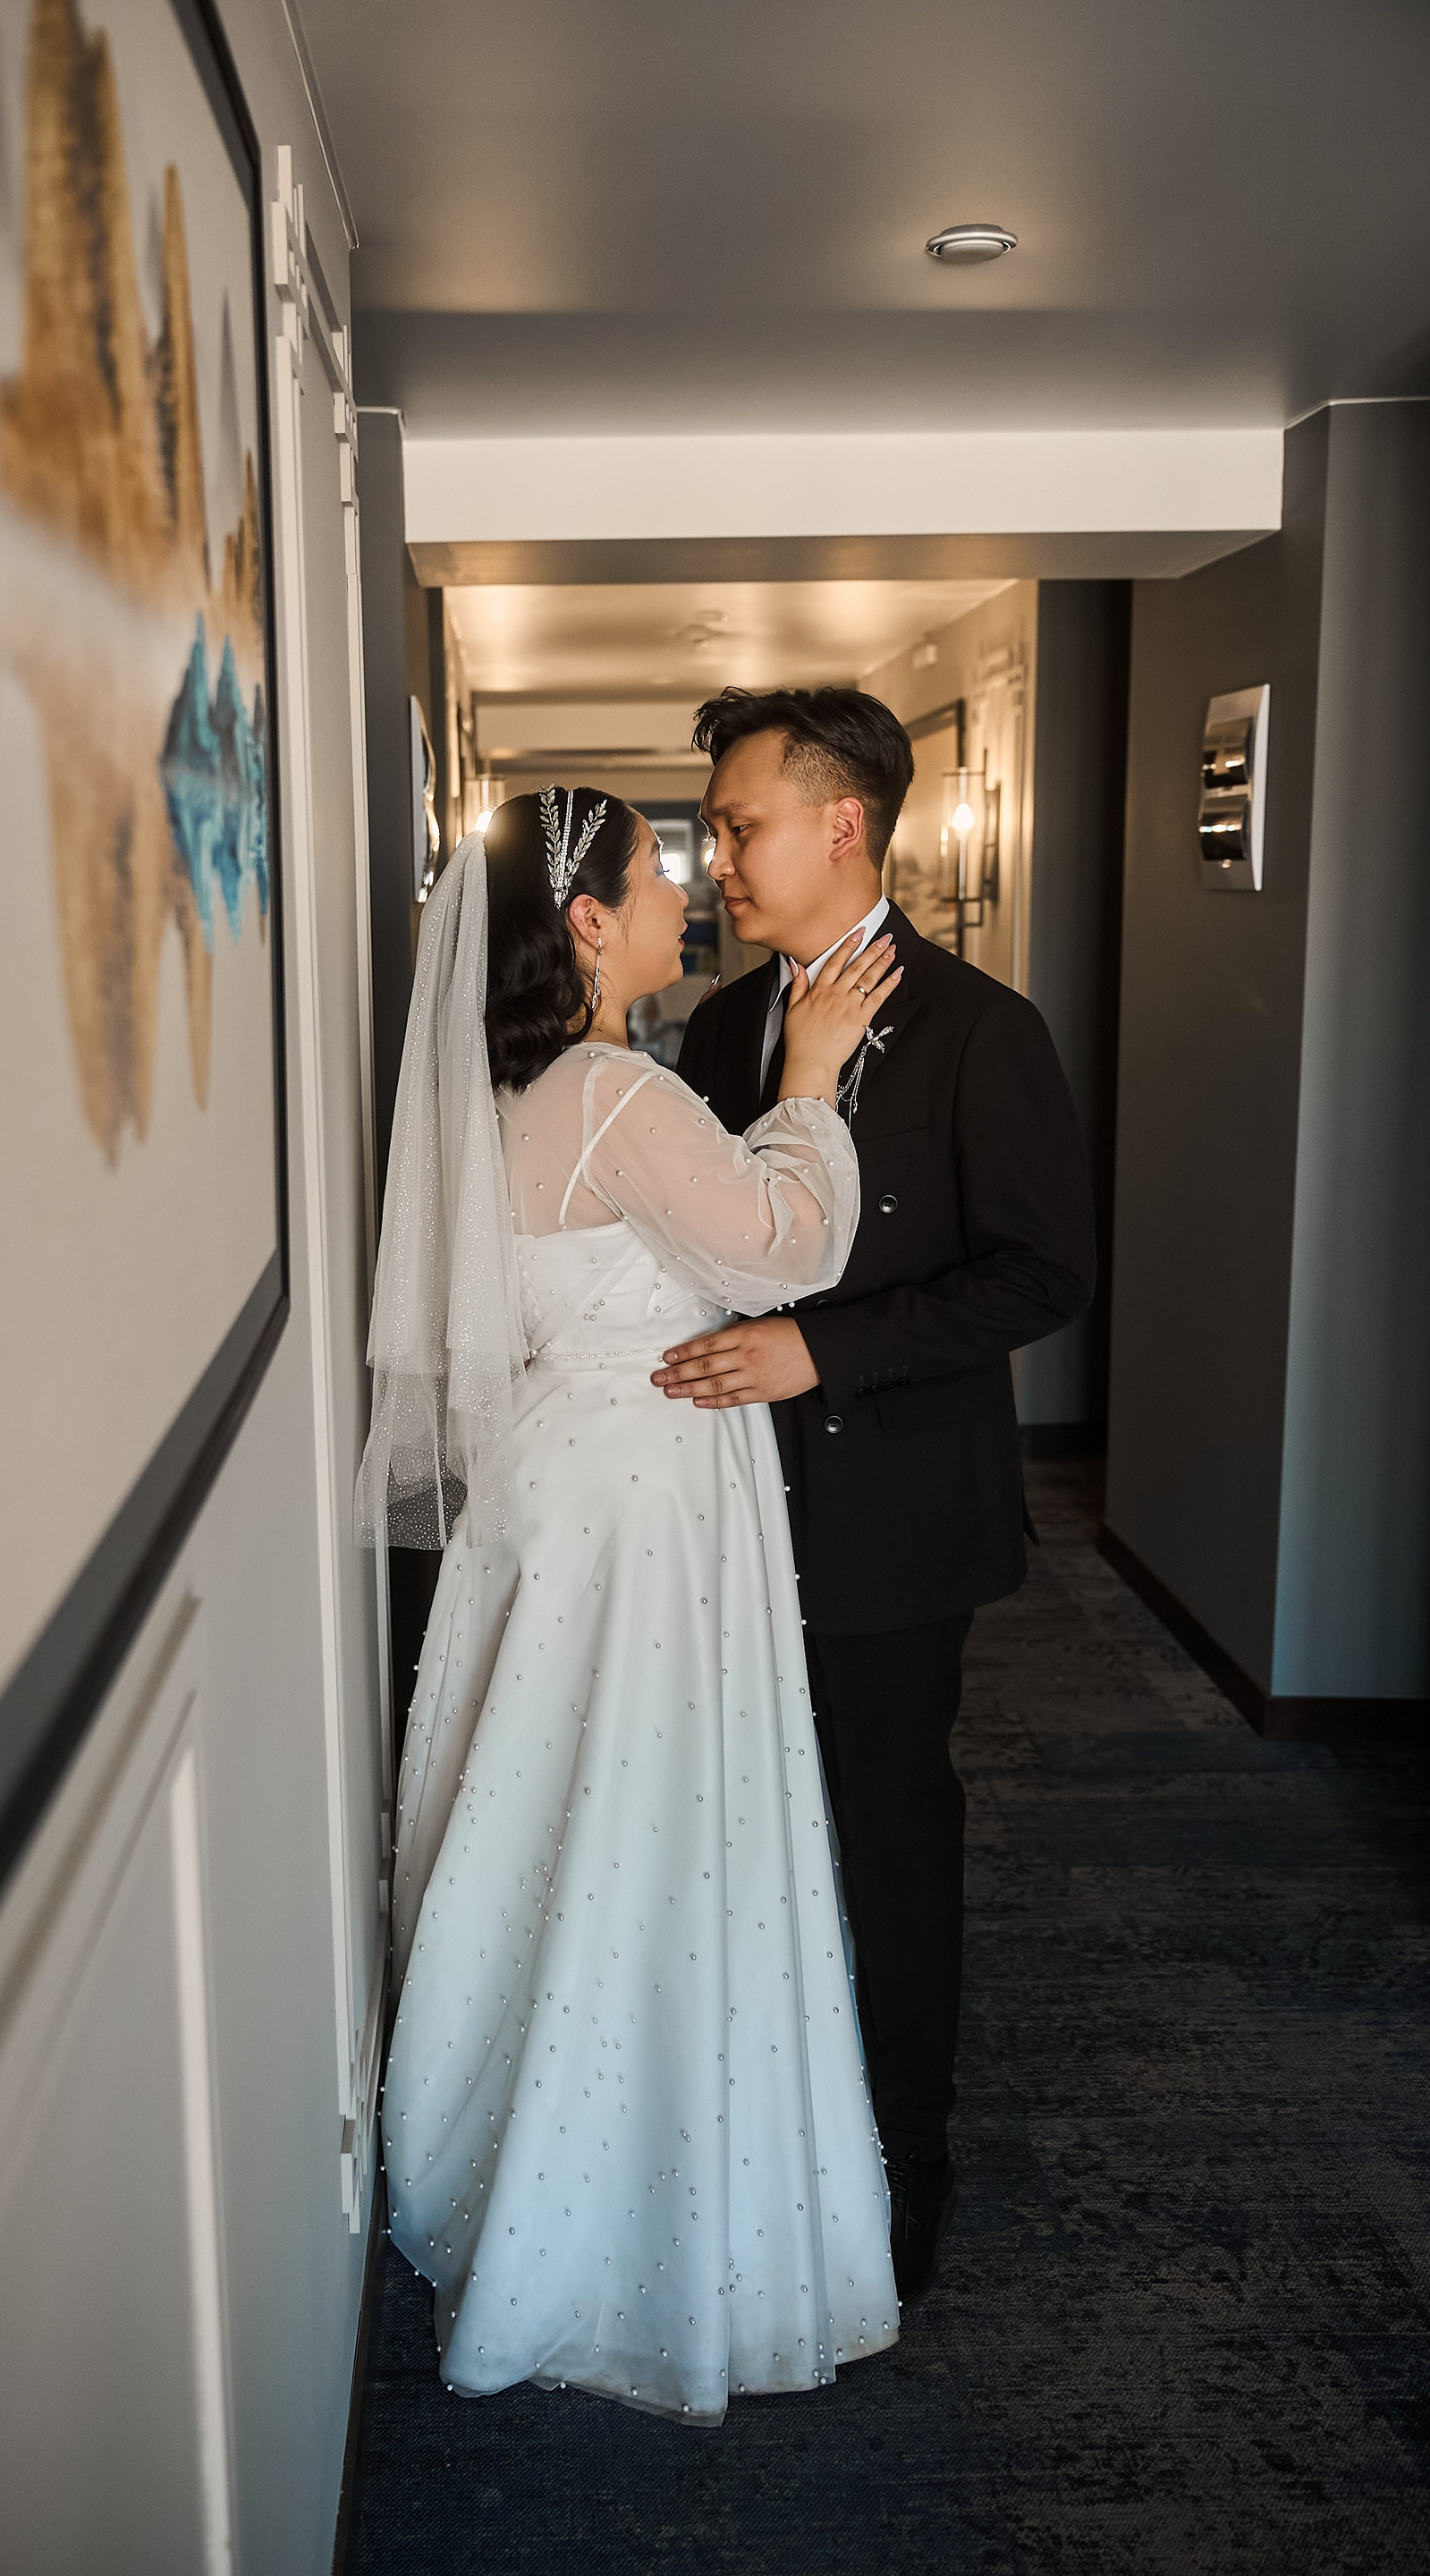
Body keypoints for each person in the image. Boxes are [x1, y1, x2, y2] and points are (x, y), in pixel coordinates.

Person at [358, 786, 902, 2423]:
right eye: (659, 873)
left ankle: (531, 2127)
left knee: (557, 1800)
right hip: (646, 1503)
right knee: (652, 1814)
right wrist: (808, 1084)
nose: (687, 892)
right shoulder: (616, 1091)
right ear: (588, 923)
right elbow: (782, 1251)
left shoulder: (508, 1090)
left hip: (553, 1489)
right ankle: (629, 2184)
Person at [666, 688, 1098, 2304]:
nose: (715, 859)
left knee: (889, 1828)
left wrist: (820, 1350)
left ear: (841, 824)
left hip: (897, 1516)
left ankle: (909, 2149)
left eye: (738, 826)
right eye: (713, 832)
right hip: (721, 1506)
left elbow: (1046, 1274)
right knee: (736, 1821)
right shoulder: (720, 1027)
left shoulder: (985, 1029)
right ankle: (758, 2115)